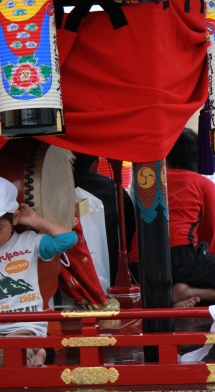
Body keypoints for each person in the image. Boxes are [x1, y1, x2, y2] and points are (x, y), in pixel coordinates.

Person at [0, 177, 78, 366]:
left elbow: (67, 239)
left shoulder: (28, 242)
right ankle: (37, 356)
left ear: (15, 218)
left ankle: (34, 354)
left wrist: (34, 220)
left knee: (7, 359)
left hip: (24, 326)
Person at [165, 128, 215, 307]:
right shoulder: (203, 184)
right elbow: (210, 230)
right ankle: (189, 293)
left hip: (141, 259)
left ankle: (175, 300)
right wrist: (214, 263)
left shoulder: (151, 182)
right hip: (182, 256)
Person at [71, 152, 136, 286]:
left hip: (70, 275)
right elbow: (130, 234)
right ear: (96, 163)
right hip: (113, 275)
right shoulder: (115, 190)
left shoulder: (57, 189)